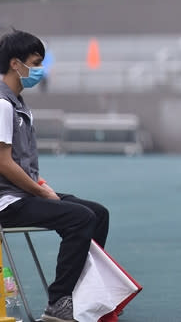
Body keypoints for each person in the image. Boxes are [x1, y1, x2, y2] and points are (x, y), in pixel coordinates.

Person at [0, 29, 110, 322]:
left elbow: (20, 162)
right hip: (6, 202)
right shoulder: (2, 103)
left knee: (97, 213)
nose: (40, 70)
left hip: (23, 193)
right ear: (15, 64)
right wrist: (40, 192)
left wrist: (40, 184)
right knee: (80, 218)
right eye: (35, 63)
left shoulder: (19, 103)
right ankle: (59, 302)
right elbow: (4, 164)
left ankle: (85, 295)